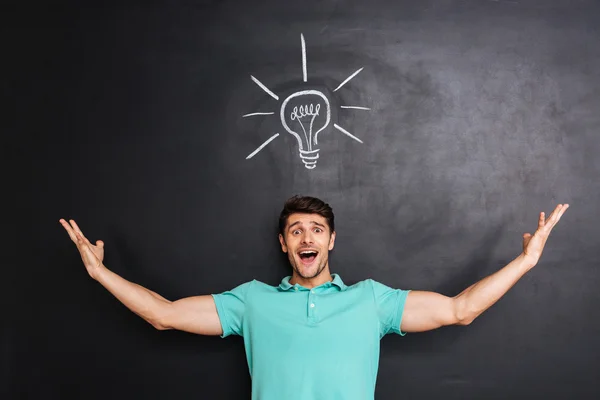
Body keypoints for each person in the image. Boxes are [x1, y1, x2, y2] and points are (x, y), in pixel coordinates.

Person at [59, 195, 569, 400]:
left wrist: (526, 262)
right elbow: (164, 316)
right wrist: (101, 274)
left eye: (316, 230)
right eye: (296, 231)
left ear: (331, 241)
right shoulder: (251, 302)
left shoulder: (372, 300)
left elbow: (461, 310)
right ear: (284, 244)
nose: (307, 239)